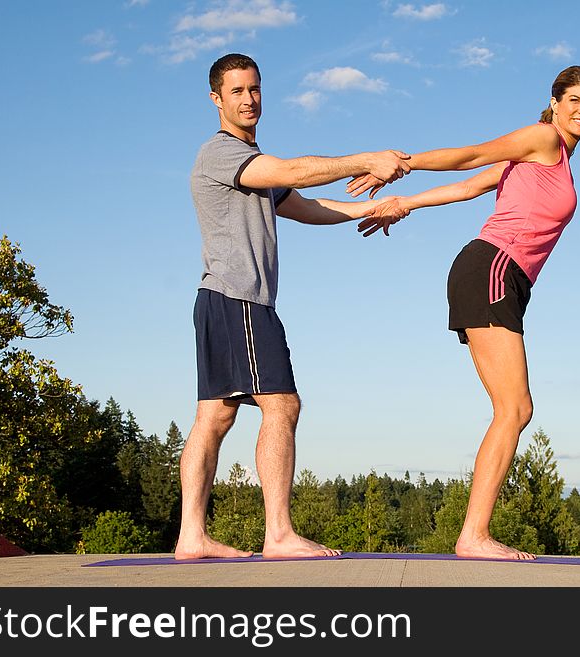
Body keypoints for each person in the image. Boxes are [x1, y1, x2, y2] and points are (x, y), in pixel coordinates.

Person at [353, 65, 580, 560]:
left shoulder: (546, 159)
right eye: (574, 99)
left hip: (503, 277)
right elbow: (474, 155)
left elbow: (470, 187)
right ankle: (474, 535)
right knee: (515, 409)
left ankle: (474, 533)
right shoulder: (541, 139)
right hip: (493, 267)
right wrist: (404, 164)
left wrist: (406, 204)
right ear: (554, 103)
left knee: (513, 410)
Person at [175, 53, 409, 560]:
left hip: (222, 300)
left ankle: (191, 536)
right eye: (236, 91)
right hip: (239, 299)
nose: (249, 99)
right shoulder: (220, 153)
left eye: (254, 89)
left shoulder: (257, 166)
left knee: (213, 418)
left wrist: (372, 206)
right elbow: (295, 170)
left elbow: (305, 206)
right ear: (216, 99)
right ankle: (278, 533)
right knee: (282, 405)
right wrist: (364, 159)